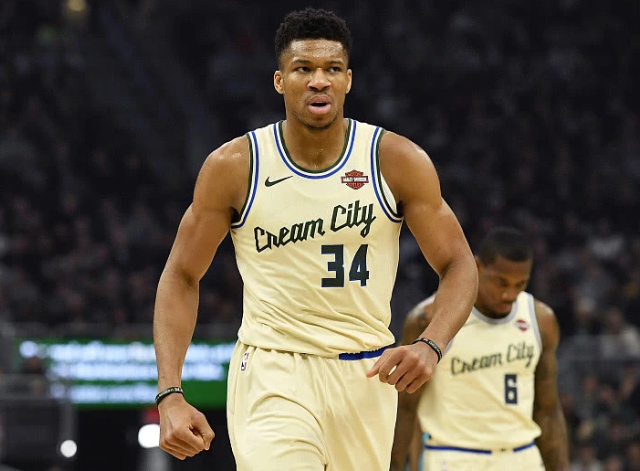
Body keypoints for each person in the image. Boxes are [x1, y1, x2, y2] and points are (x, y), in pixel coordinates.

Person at [153, 7, 478, 471]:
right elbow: (181, 275)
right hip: (273, 368)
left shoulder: (395, 160)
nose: (318, 81)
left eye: (332, 69)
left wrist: (432, 343)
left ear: (348, 80)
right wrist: (170, 391)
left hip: (366, 373)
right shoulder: (235, 166)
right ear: (279, 81)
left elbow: (460, 264)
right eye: (303, 69)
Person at [390, 227, 569, 471]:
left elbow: (548, 411)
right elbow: (404, 409)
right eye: (501, 282)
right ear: (477, 266)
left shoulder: (541, 320)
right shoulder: (429, 319)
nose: (509, 294)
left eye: (520, 284)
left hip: (522, 455)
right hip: (453, 456)